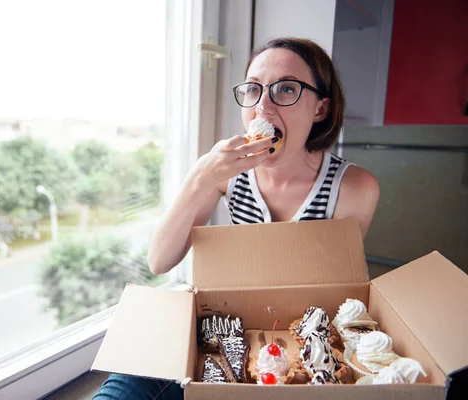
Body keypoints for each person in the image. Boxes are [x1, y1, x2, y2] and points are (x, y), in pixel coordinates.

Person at [93, 37, 379, 400]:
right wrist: (200, 177)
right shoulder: (229, 175)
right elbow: (160, 260)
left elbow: (327, 299)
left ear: (320, 109)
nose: (263, 107)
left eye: (286, 89)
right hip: (225, 328)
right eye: (253, 90)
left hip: (299, 345)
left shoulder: (354, 187)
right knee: (128, 384)